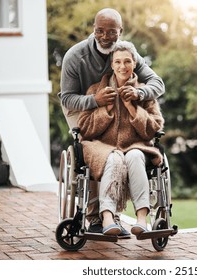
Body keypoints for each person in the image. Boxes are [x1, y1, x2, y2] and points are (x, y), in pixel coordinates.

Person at [58, 8, 165, 237]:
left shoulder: (125, 53)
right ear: (94, 30)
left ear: (121, 32)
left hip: (128, 129)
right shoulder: (75, 57)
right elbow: (67, 98)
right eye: (100, 31)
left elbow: (157, 85)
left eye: (112, 32)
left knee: (133, 156)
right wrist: (96, 101)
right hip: (81, 103)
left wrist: (138, 96)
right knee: (97, 151)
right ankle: (99, 217)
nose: (106, 36)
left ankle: (135, 218)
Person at [77, 41, 164, 236]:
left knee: (133, 156)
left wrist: (133, 107)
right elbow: (84, 129)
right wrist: (105, 109)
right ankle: (107, 218)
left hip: (136, 145)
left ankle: (142, 219)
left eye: (127, 61)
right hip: (101, 147)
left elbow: (154, 129)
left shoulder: (144, 92)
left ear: (134, 63)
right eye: (117, 62)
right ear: (112, 65)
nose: (122, 66)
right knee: (114, 158)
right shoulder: (95, 91)